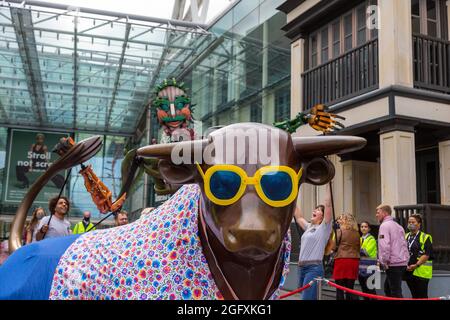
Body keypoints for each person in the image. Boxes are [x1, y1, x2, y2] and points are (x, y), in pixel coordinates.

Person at [294, 183, 333, 300]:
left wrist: (328, 184)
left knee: (307, 298)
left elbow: (328, 204)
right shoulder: (309, 227)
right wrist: (291, 192)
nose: (314, 210)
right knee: (308, 297)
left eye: (318, 210)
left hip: (313, 268)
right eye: (315, 208)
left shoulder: (324, 228)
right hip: (301, 267)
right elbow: (298, 216)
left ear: (323, 216)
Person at [376, 204, 409, 298]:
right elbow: (404, 245)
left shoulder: (384, 226)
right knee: (389, 289)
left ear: (385, 213)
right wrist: (406, 260)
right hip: (401, 263)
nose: (376, 215)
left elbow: (384, 246)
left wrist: (383, 261)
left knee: (395, 292)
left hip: (393, 264)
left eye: (378, 212)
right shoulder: (399, 226)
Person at [403, 214, 433, 298]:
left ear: (419, 224)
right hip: (409, 271)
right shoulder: (405, 236)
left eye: (413, 222)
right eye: (409, 222)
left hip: (421, 273)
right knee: (414, 296)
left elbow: (426, 254)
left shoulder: (425, 237)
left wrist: (416, 265)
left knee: (422, 296)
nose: (410, 224)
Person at [332, 213, 360, 300]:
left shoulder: (339, 232)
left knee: (339, 288)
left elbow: (333, 247)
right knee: (350, 288)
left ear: (345, 221)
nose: (338, 221)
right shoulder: (357, 233)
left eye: (340, 219)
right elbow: (359, 247)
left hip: (341, 260)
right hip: (354, 261)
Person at [358, 221, 378, 299]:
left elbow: (366, 252)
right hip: (361, 269)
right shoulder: (359, 239)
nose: (363, 228)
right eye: (362, 227)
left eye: (365, 227)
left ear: (369, 229)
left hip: (370, 269)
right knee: (364, 290)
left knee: (371, 290)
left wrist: (357, 249)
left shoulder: (371, 239)